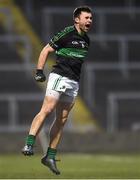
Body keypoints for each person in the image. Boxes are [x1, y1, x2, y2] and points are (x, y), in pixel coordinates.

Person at [22, 6, 93, 175]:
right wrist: (39, 71)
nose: (90, 20)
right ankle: (29, 143)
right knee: (47, 109)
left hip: (73, 82)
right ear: (77, 19)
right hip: (59, 76)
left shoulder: (87, 40)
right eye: (87, 18)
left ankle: (50, 157)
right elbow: (46, 49)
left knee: (62, 120)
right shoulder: (66, 33)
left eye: (91, 18)